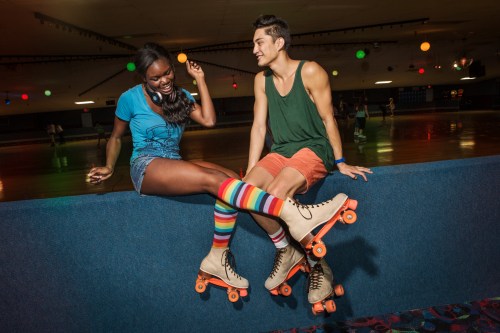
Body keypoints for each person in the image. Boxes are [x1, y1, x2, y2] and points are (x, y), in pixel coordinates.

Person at [86, 42, 347, 299]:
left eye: (168, 73)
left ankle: (241, 252)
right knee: (213, 181)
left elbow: (209, 120)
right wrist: (109, 166)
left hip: (174, 162)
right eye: (155, 78)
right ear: (144, 78)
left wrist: (200, 79)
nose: (164, 80)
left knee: (235, 181)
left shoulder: (180, 97)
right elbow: (116, 137)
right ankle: (293, 214)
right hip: (146, 165)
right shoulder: (129, 98)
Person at [245, 15, 372, 308]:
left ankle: (318, 263)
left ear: (279, 43)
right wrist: (252, 168)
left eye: (259, 42)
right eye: (253, 44)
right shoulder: (260, 81)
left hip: (314, 148)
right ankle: (285, 248)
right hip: (281, 151)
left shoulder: (311, 71)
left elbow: (329, 119)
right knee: (247, 193)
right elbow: (259, 127)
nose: (254, 50)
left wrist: (340, 162)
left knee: (276, 194)